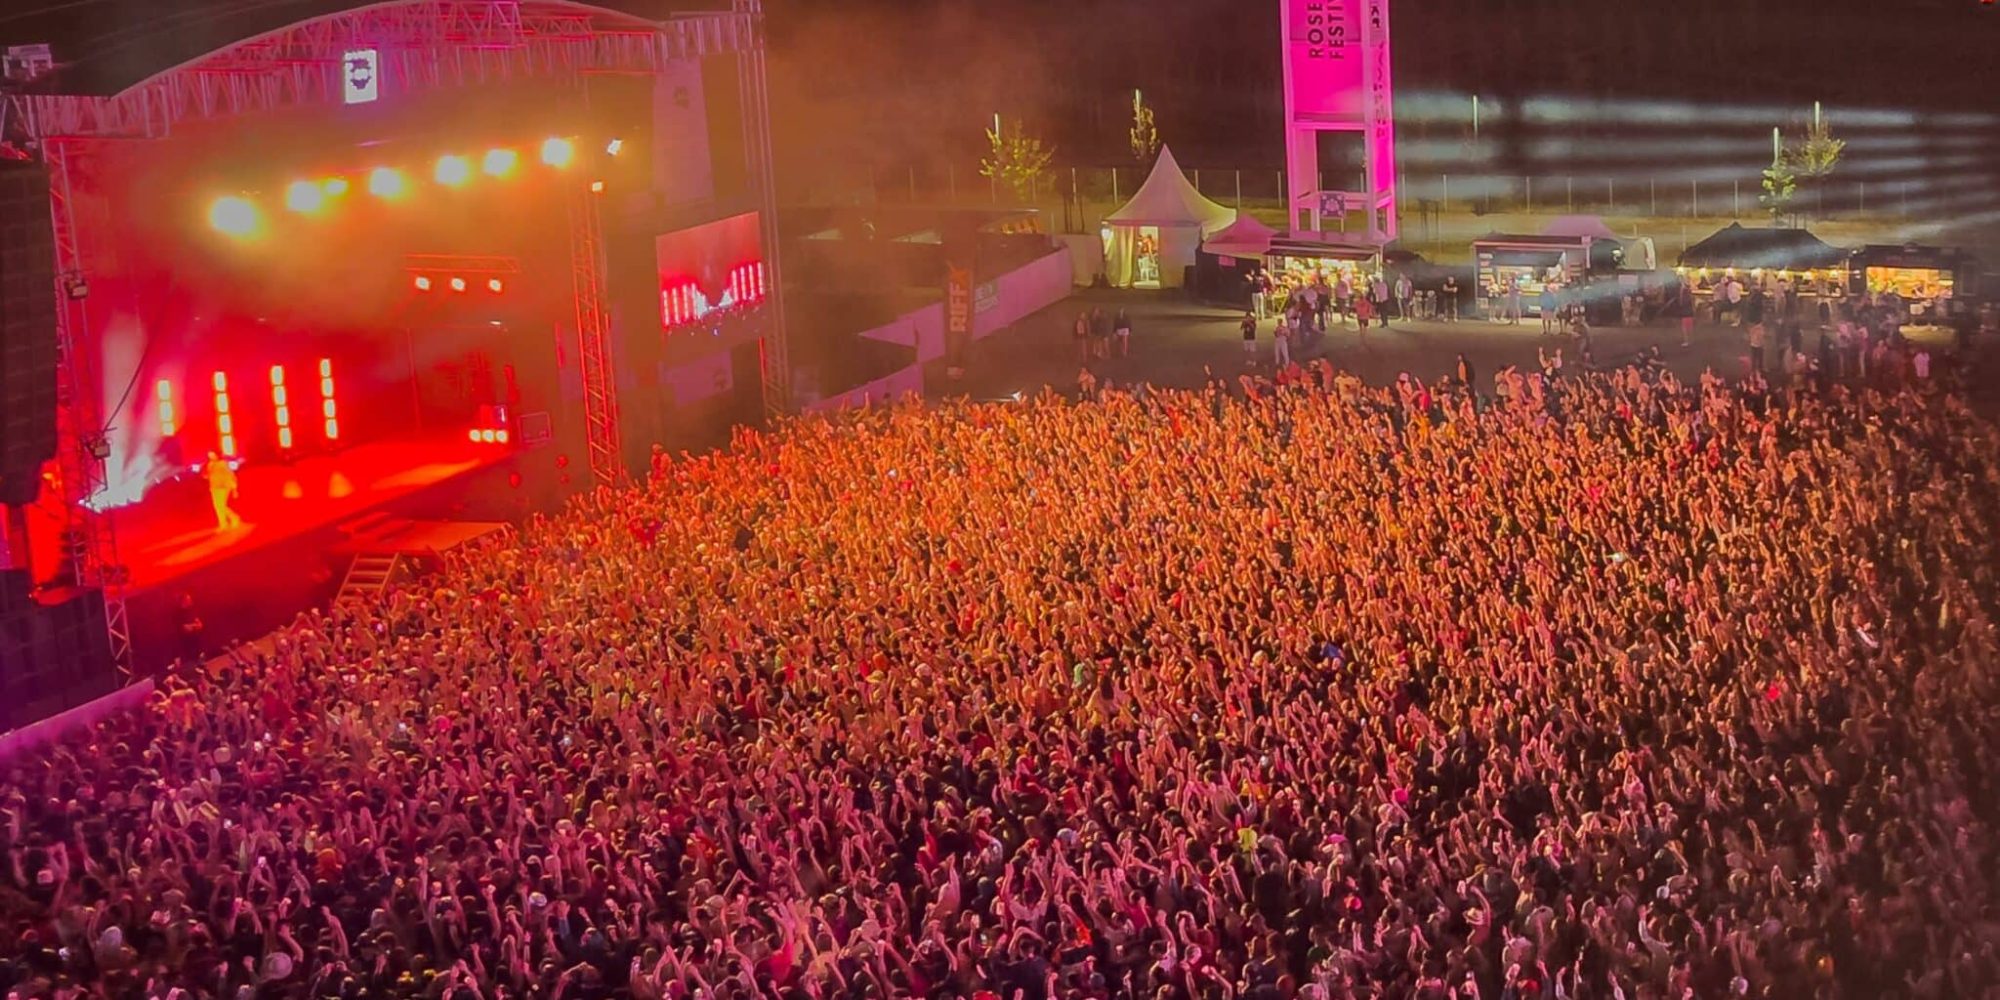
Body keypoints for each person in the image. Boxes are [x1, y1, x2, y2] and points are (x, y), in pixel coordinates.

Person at [204, 450, 242, 530]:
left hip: (223, 486)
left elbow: (230, 475)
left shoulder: (223, 463)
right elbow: (210, 475)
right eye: (209, 455)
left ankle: (234, 518)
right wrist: (207, 476)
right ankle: (223, 523)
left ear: (217, 455)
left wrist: (234, 489)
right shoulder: (210, 464)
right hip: (214, 487)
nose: (211, 457)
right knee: (217, 506)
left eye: (212, 455)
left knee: (221, 505)